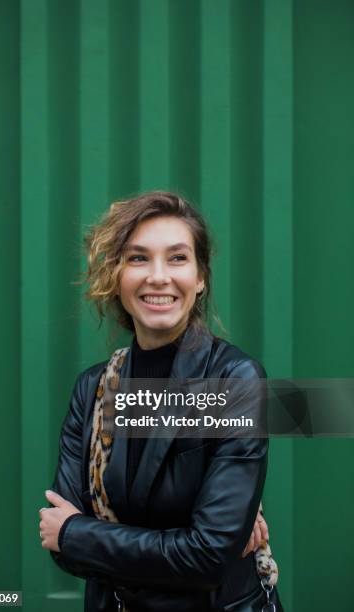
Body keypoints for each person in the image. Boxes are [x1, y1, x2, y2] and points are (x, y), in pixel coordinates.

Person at [39, 192, 283, 611]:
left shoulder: (235, 379)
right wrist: (175, 547)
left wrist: (81, 534)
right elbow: (60, 551)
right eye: (137, 258)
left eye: (177, 258)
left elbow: (207, 557)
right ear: (116, 276)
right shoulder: (93, 389)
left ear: (201, 275)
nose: (158, 276)